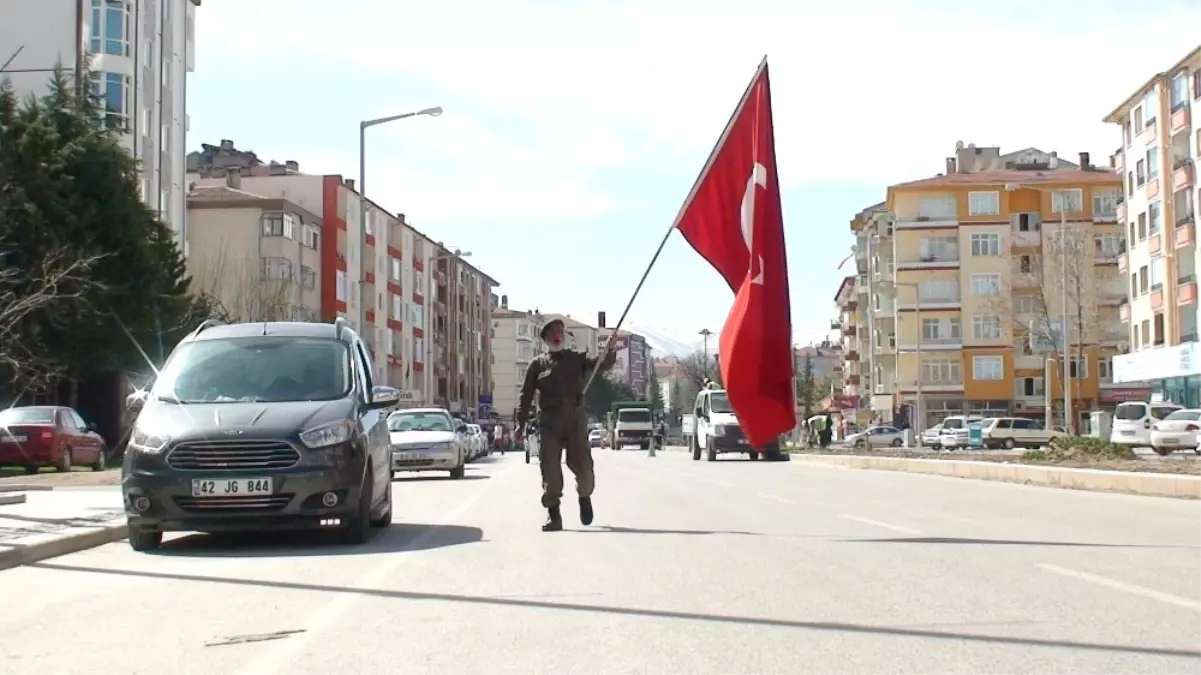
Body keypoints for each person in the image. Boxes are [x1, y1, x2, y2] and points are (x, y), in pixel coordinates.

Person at [514, 319, 618, 532]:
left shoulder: (576, 359)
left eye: (560, 332)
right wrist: (520, 423)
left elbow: (601, 364)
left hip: (575, 421)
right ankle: (554, 515)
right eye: (553, 333)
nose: (557, 336)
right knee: (550, 468)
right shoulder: (537, 365)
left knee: (584, 467)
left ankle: (584, 498)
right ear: (545, 339)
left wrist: (610, 349)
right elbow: (525, 396)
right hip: (549, 422)